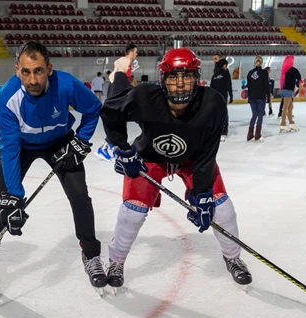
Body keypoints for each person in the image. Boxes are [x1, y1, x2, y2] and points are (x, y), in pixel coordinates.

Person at [100, 47, 253, 290]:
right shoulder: (144, 97)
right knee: (133, 212)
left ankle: (233, 257)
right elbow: (110, 110)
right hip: (151, 157)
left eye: (187, 76)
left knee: (222, 208)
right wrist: (123, 149)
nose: (180, 84)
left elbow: (208, 153)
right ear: (163, 80)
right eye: (173, 78)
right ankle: (116, 260)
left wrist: (201, 194)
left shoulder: (212, 103)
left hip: (194, 160)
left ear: (197, 77)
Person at [0, 41, 105, 294]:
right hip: (23, 145)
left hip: (61, 143)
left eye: (38, 71)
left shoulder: (66, 84)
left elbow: (93, 109)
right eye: (26, 72)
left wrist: (81, 140)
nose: (32, 80)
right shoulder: (7, 98)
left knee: (80, 197)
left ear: (49, 68)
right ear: (17, 70)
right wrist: (14, 195)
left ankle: (91, 255)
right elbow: (10, 147)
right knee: (1, 199)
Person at [97, 44, 138, 161]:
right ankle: (112, 147)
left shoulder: (118, 71)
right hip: (117, 105)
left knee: (118, 126)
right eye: (135, 52)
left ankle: (110, 146)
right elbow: (125, 85)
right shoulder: (124, 66)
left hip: (116, 106)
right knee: (118, 127)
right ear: (131, 52)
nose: (136, 54)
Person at [246, 56, 270, 142]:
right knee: (260, 115)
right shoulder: (264, 72)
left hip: (252, 97)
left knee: (254, 115)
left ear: (254, 62)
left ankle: (250, 134)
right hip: (260, 97)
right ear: (262, 62)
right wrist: (268, 96)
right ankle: (257, 134)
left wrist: (249, 97)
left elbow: (248, 86)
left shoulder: (250, 73)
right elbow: (266, 85)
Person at [210, 58, 233, 141]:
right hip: (222, 96)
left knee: (218, 114)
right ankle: (223, 131)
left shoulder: (215, 75)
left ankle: (219, 131)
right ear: (224, 65)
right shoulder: (224, 73)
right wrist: (231, 95)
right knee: (223, 113)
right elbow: (229, 85)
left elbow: (211, 87)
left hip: (216, 97)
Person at [279, 55, 301, 133]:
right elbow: (299, 77)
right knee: (285, 108)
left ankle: (291, 123)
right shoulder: (292, 70)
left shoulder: (284, 71)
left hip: (284, 90)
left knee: (291, 107)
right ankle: (283, 124)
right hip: (288, 91)